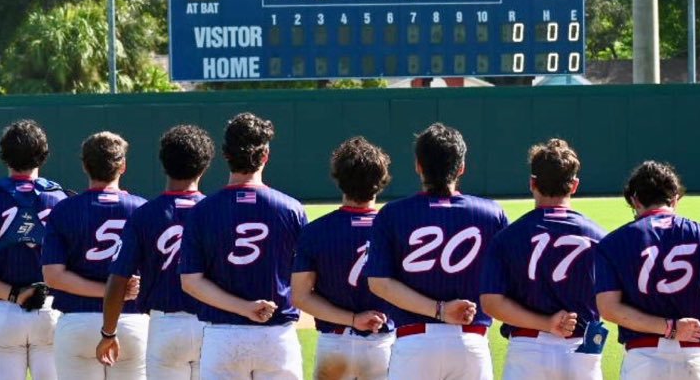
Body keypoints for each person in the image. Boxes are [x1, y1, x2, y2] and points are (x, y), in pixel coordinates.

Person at [367, 123, 507, 380]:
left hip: (414, 344)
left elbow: (379, 283)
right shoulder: (492, 214)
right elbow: (507, 283)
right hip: (470, 344)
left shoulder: (392, 214)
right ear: (462, 167)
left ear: (418, 165)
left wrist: (439, 309)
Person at [179, 113, 308, 380]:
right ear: (265, 156)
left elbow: (191, 282)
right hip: (276, 336)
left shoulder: (201, 211)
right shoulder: (292, 209)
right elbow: (307, 280)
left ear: (225, 155)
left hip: (223, 337)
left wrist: (243, 308)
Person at [481, 139, 605, 380]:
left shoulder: (507, 237)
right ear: (575, 185)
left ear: (532, 183)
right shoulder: (601, 238)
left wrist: (546, 322)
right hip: (582, 350)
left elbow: (491, 302)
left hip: (528, 351)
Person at [98, 124, 214, 380]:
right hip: (213, 325)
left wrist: (108, 332)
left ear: (163, 163)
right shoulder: (217, 213)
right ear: (205, 165)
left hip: (166, 326)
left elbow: (118, 279)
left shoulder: (145, 214)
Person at [0, 120, 70, 380]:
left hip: (4, 312)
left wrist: (13, 294)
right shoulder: (61, 199)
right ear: (43, 155)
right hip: (51, 310)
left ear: (4, 156)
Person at [41, 132, 148, 379]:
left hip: (77, 322)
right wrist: (118, 291)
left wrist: (106, 291)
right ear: (123, 165)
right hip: (129, 320)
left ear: (84, 165)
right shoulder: (143, 209)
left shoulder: (64, 209)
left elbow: (53, 276)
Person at [596, 161, 700, 380]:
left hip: (642, 358)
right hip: (692, 355)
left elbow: (609, 308)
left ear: (635, 200)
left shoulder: (613, 243)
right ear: (675, 198)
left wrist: (669, 327)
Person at [292, 137, 396, 380]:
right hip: (384, 344)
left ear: (338, 178)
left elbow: (300, 296)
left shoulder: (315, 231)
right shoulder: (395, 230)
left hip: (334, 344)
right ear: (380, 181)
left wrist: (351, 319)